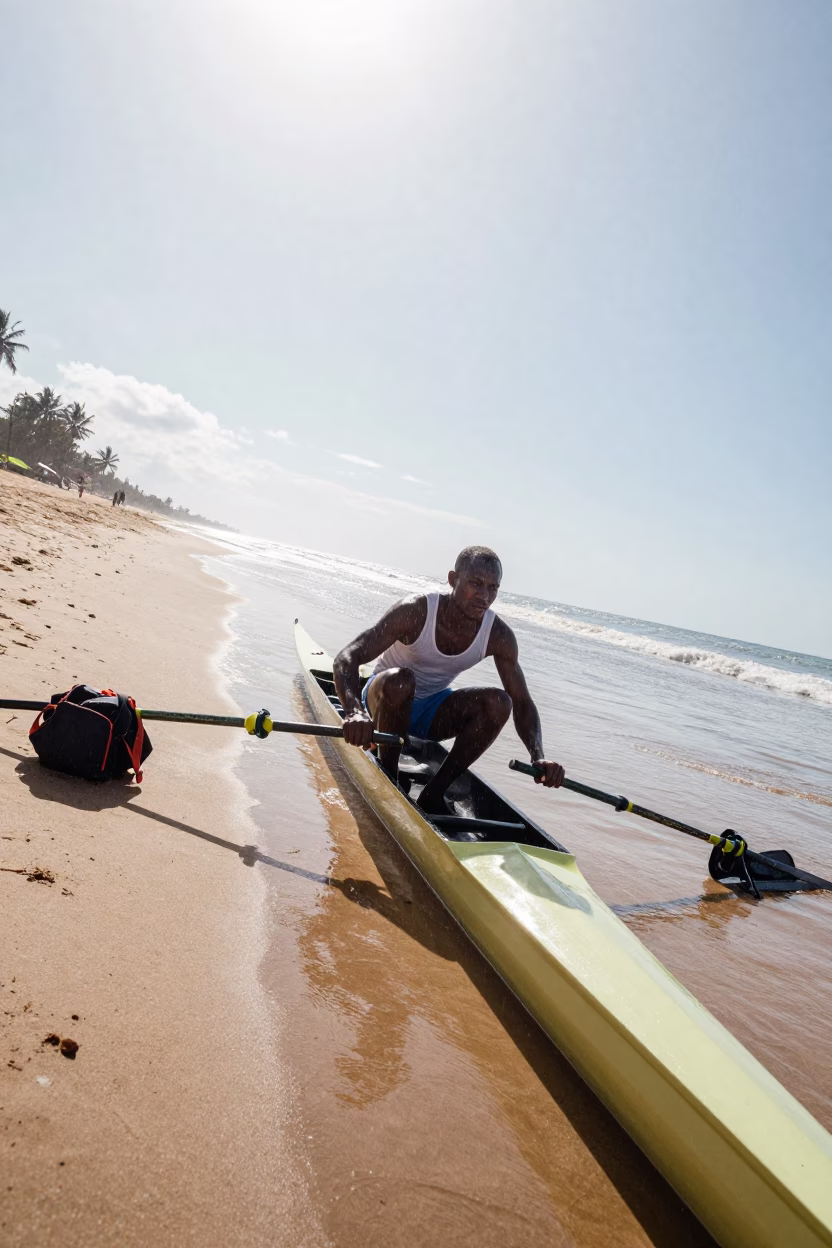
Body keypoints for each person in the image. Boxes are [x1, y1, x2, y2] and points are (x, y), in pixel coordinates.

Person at [333, 545, 564, 814]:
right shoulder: (416, 611)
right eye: (476, 583)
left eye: (493, 588)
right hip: (382, 702)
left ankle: (434, 793)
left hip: (430, 713)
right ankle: (389, 775)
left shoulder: (498, 635)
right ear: (453, 579)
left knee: (500, 702)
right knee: (402, 680)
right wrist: (354, 712)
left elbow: (523, 701)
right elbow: (347, 657)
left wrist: (539, 756)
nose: (484, 596)